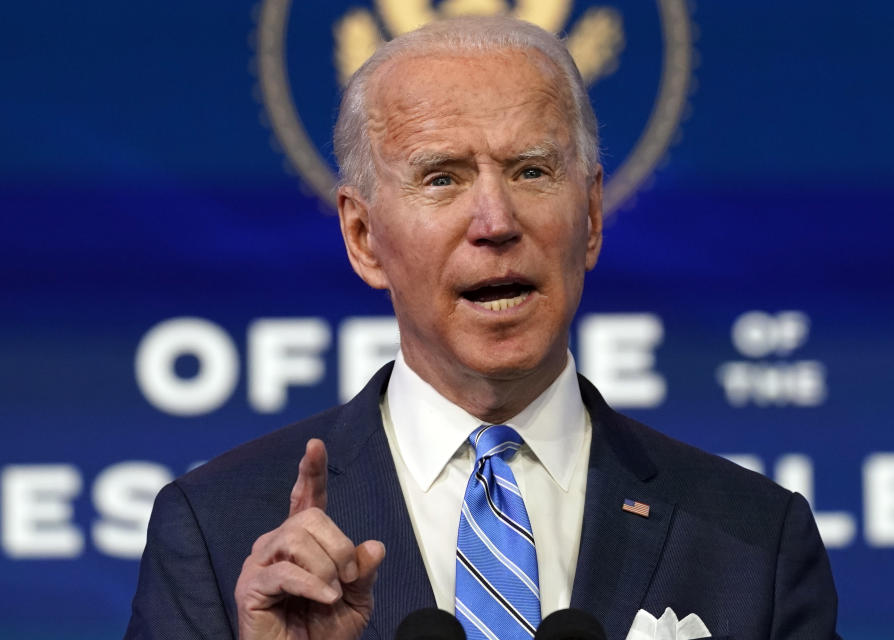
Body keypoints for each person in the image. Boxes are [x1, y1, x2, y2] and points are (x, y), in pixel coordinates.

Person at [125, 15, 840, 640]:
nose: (496, 222)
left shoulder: (754, 542)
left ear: (590, 217)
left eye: (531, 171)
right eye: (442, 178)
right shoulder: (219, 535)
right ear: (363, 236)